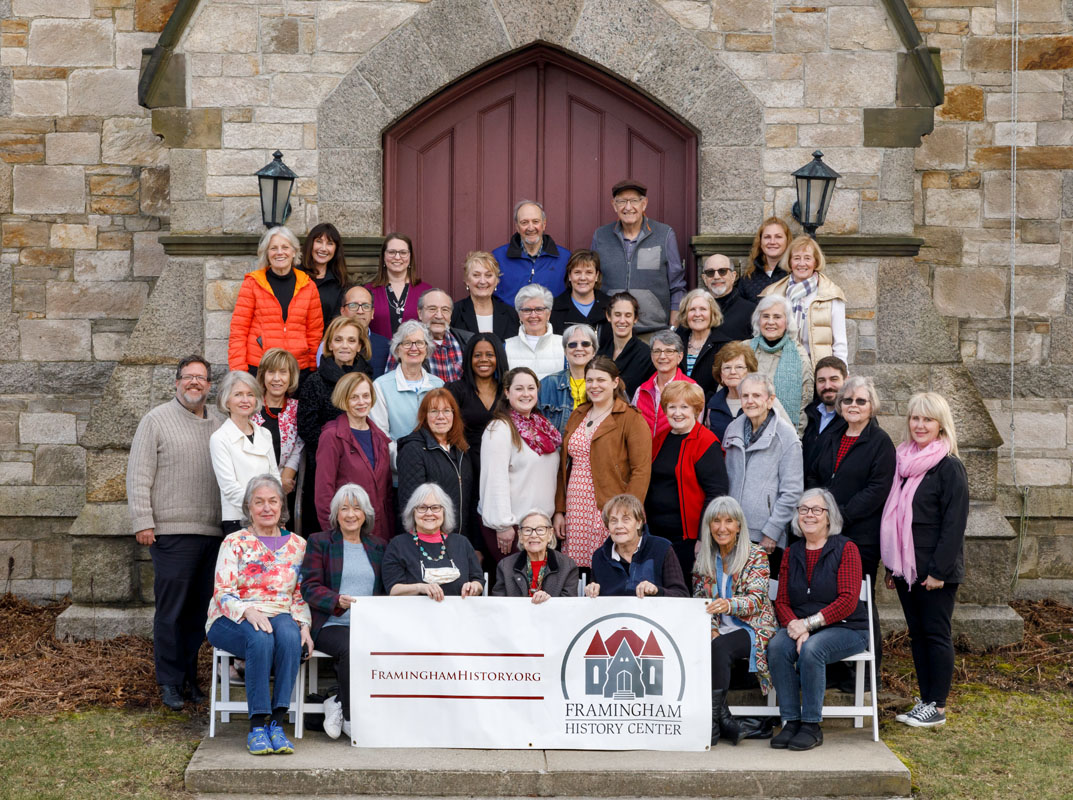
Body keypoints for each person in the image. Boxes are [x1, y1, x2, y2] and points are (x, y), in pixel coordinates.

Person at [127, 355, 223, 711]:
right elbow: (138, 474)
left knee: (199, 614)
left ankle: (188, 678)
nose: (194, 382)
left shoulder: (220, 423)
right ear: (177, 382)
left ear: (210, 385)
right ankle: (168, 682)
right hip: (170, 532)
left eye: (201, 378)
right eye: (188, 377)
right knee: (171, 612)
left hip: (212, 532)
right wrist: (143, 521)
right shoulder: (156, 420)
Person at [206, 475, 314, 756]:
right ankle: (257, 726)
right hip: (230, 616)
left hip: (279, 613)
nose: (267, 508)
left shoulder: (299, 546)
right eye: (259, 502)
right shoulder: (234, 542)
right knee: (261, 638)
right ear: (248, 507)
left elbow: (299, 593)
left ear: (282, 506)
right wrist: (247, 611)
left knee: (290, 636)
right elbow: (223, 591)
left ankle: (276, 724)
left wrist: (304, 625)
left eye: (273, 501)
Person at [881, 392, 968, 729]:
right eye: (915, 418)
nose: (919, 425)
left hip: (934, 571)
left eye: (927, 419)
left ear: (940, 425)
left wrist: (938, 571)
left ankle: (938, 706)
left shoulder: (949, 466)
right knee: (917, 634)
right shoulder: (902, 462)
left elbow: (954, 525)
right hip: (906, 568)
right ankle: (925, 699)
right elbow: (894, 520)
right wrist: (893, 566)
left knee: (935, 634)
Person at [806, 376, 895, 687]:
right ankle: (836, 670)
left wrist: (835, 517)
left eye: (861, 401)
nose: (853, 406)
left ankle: (870, 676)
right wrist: (818, 514)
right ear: (840, 405)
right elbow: (816, 476)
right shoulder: (832, 436)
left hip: (861, 538)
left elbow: (877, 489)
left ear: (872, 406)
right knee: (829, 600)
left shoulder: (880, 442)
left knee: (860, 602)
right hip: (826, 535)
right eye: (848, 400)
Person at [769, 489, 867, 752]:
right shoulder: (792, 552)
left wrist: (808, 626)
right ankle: (791, 721)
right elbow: (782, 602)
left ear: (828, 517)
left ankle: (811, 725)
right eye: (803, 509)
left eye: (816, 510)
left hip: (847, 628)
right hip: (801, 627)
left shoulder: (846, 548)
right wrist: (796, 627)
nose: (809, 515)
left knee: (814, 649)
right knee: (777, 646)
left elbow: (848, 601)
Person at [300, 483, 385, 740]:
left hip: (369, 624)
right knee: (351, 646)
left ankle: (336, 700)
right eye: (345, 508)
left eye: (357, 508)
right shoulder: (320, 542)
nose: (351, 514)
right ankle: (350, 717)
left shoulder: (378, 546)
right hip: (330, 623)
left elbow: (386, 588)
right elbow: (309, 587)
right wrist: (337, 600)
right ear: (336, 513)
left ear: (365, 514)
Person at [693, 496, 776, 746]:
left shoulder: (756, 555)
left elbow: (758, 599)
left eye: (729, 521)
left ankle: (713, 724)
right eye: (716, 521)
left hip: (753, 627)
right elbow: (700, 601)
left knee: (720, 647)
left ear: (739, 525)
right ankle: (725, 722)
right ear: (709, 526)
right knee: (705, 644)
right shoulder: (703, 560)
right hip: (719, 629)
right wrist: (712, 628)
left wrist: (729, 604)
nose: (722, 527)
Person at [554, 357, 652, 570]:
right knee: (576, 568)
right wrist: (560, 510)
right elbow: (564, 467)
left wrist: (628, 512)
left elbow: (641, 469)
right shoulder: (578, 414)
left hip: (610, 505)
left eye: (601, 380)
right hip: (576, 503)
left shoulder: (630, 417)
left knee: (607, 565)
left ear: (615, 382)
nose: (594, 386)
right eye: (589, 380)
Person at [722, 373, 803, 577]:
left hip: (765, 537)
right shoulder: (733, 429)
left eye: (757, 395)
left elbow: (792, 492)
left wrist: (772, 531)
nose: (750, 401)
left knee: (761, 599)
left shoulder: (786, 437)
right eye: (745, 395)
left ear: (770, 401)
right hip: (731, 531)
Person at [298, 316, 373, 528]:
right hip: (327, 465)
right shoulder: (315, 381)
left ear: (359, 345)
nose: (345, 346)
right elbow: (307, 426)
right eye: (338, 340)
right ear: (329, 344)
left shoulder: (368, 379)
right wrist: (336, 447)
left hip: (363, 462)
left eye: (351, 340)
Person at [479, 368, 562, 563]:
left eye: (531, 388)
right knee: (516, 587)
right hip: (513, 526)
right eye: (519, 388)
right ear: (507, 393)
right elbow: (494, 479)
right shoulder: (499, 428)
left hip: (541, 526)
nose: (526, 394)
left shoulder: (542, 426)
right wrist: (503, 525)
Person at [646, 382, 728, 576]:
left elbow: (717, 493)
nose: (677, 413)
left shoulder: (706, 442)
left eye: (684, 407)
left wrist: (702, 537)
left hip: (687, 539)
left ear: (696, 409)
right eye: (672, 407)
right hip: (655, 534)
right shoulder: (660, 438)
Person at [591, 179, 686, 332]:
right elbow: (592, 283)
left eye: (634, 200)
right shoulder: (601, 236)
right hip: (611, 330)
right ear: (614, 205)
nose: (628, 207)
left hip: (654, 331)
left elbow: (677, 286)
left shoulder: (664, 234)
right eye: (622, 201)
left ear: (644, 203)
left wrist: (673, 329)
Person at [229, 226, 324, 373]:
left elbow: (314, 333)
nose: (280, 252)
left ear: (294, 252)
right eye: (273, 248)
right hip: (260, 367)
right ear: (267, 253)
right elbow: (239, 331)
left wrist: (313, 369)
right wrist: (239, 371)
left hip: (297, 368)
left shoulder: (308, 286)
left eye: (285, 247)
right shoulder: (253, 284)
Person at [314, 372, 393, 543]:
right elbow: (323, 491)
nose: (361, 402)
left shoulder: (380, 438)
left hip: (380, 534)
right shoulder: (332, 436)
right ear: (344, 399)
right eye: (354, 397)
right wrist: (334, 535)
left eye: (365, 396)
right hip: (346, 531)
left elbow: (386, 492)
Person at [396, 389, 478, 545]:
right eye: (434, 411)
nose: (441, 417)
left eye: (447, 411)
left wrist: (474, 545)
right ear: (424, 416)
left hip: (461, 542)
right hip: (428, 543)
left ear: (454, 415)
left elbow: (471, 500)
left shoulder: (461, 449)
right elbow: (411, 505)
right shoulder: (413, 450)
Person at [382, 482, 484, 599]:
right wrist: (421, 588)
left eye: (435, 508)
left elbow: (478, 580)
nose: (429, 513)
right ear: (412, 512)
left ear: (444, 512)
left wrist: (474, 587)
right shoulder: (398, 545)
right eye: (422, 508)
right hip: (413, 615)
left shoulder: (462, 543)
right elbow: (392, 589)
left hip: (457, 615)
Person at [210, 371, 281, 535]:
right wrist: (259, 509)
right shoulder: (219, 438)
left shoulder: (265, 434)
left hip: (270, 518)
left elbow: (275, 478)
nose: (245, 400)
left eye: (250, 394)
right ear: (226, 400)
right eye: (238, 394)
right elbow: (230, 488)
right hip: (239, 520)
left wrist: (274, 512)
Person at [760, 235, 847, 362]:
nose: (801, 263)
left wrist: (842, 371)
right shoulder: (774, 293)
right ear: (790, 262)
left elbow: (840, 342)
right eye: (796, 258)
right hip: (782, 364)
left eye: (807, 258)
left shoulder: (831, 294)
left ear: (815, 262)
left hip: (819, 368)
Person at [585, 494, 688, 598]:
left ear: (639, 523)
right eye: (613, 521)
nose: (619, 526)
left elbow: (681, 595)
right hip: (614, 614)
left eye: (626, 519)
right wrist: (591, 592)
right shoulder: (599, 556)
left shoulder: (662, 549)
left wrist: (657, 591)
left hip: (653, 613)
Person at [369, 320, 445, 449]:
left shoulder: (439, 385)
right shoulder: (381, 386)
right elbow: (380, 436)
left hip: (434, 462)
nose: (414, 348)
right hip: (398, 462)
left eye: (420, 343)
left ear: (427, 349)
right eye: (407, 343)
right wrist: (405, 460)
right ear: (397, 350)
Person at [252, 348, 303, 524]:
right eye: (271, 372)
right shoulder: (251, 407)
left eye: (283, 372)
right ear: (263, 375)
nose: (276, 378)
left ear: (291, 377)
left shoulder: (297, 409)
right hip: (253, 489)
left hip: (286, 490)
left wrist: (286, 477)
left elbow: (298, 446)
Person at [704, 342, 792, 442]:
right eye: (727, 367)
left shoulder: (766, 399)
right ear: (720, 374)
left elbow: (790, 437)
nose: (733, 372)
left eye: (739, 367)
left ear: (749, 371)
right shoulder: (713, 405)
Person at [748, 295, 812, 432]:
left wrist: (796, 438)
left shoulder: (800, 356)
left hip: (783, 435)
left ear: (787, 322)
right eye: (765, 316)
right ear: (758, 320)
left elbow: (804, 405)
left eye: (777, 317)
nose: (771, 322)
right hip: (745, 429)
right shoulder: (744, 350)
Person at [492, 200, 571, 306]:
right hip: (509, 321)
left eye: (535, 221)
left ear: (544, 224)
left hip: (552, 321)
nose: (530, 227)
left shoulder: (565, 258)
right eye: (524, 222)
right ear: (517, 227)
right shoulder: (498, 257)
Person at [446, 332, 509, 464]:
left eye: (490, 355)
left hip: (503, 462)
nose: (483, 359)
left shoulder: (508, 391)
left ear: (499, 357)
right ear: (469, 358)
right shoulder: (455, 390)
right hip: (465, 464)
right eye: (477, 355)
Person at [386, 289, 472, 382]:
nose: (439, 316)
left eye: (445, 310)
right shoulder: (404, 344)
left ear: (450, 315)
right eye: (432, 309)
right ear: (420, 313)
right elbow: (390, 385)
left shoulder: (468, 341)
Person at [491, 511, 580, 600]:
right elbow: (499, 604)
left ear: (550, 534)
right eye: (527, 530)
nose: (533, 535)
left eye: (540, 530)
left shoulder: (567, 566)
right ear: (520, 536)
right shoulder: (505, 566)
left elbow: (568, 606)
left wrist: (549, 602)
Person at [365, 233, 432, 338]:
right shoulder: (368, 291)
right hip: (377, 353)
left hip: (415, 352)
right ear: (383, 256)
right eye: (391, 252)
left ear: (410, 257)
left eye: (403, 252)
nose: (397, 257)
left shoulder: (426, 291)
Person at [633, 329, 696, 439]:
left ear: (680, 357)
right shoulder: (641, 391)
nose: (662, 356)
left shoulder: (692, 389)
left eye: (669, 351)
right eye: (657, 351)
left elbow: (696, 432)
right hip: (645, 454)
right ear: (652, 356)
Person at [538, 323, 599, 435]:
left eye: (585, 344)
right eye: (572, 345)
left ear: (594, 351)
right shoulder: (547, 385)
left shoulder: (607, 384)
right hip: (558, 451)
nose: (579, 348)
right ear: (565, 351)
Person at [674, 288, 731, 398]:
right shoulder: (676, 343)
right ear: (685, 314)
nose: (697, 314)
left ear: (712, 313)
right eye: (692, 309)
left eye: (703, 309)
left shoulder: (725, 346)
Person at [596, 291, 654, 398]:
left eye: (628, 315)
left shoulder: (647, 356)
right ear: (608, 316)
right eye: (617, 315)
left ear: (635, 319)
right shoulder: (600, 354)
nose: (622, 321)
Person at [451, 250, 519, 340]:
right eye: (476, 275)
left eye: (488, 275)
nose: (482, 281)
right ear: (467, 280)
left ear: (496, 281)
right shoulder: (454, 313)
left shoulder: (511, 314)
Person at [550, 249, 612, 345]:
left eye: (589, 272)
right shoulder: (553, 309)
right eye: (577, 272)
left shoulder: (611, 307)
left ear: (596, 276)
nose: (583, 278)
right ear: (570, 276)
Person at [504, 284, 563, 380]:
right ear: (519, 315)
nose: (533, 315)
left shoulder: (564, 345)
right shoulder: (506, 347)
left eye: (539, 309)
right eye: (527, 310)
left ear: (548, 314)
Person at [801, 356, 848, 474]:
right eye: (821, 380)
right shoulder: (808, 414)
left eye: (834, 379)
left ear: (846, 381)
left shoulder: (854, 419)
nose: (827, 386)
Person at [331, 284, 390, 377]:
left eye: (366, 306)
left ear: (372, 313)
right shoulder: (330, 344)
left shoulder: (387, 346)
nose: (360, 311)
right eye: (353, 305)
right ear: (342, 311)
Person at [300, 222, 347, 328]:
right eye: (319, 241)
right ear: (310, 244)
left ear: (336, 249)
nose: (323, 248)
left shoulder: (339, 283)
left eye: (330, 243)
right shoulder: (295, 275)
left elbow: (336, 322)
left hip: (325, 342)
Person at [701, 253, 756, 341]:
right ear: (704, 279)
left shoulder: (752, 311)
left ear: (733, 276)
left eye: (722, 271)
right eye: (710, 272)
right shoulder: (695, 311)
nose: (716, 276)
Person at [739, 217, 790, 303]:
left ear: (787, 241)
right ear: (760, 242)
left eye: (778, 237)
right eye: (767, 237)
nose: (772, 242)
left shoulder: (795, 275)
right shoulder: (747, 279)